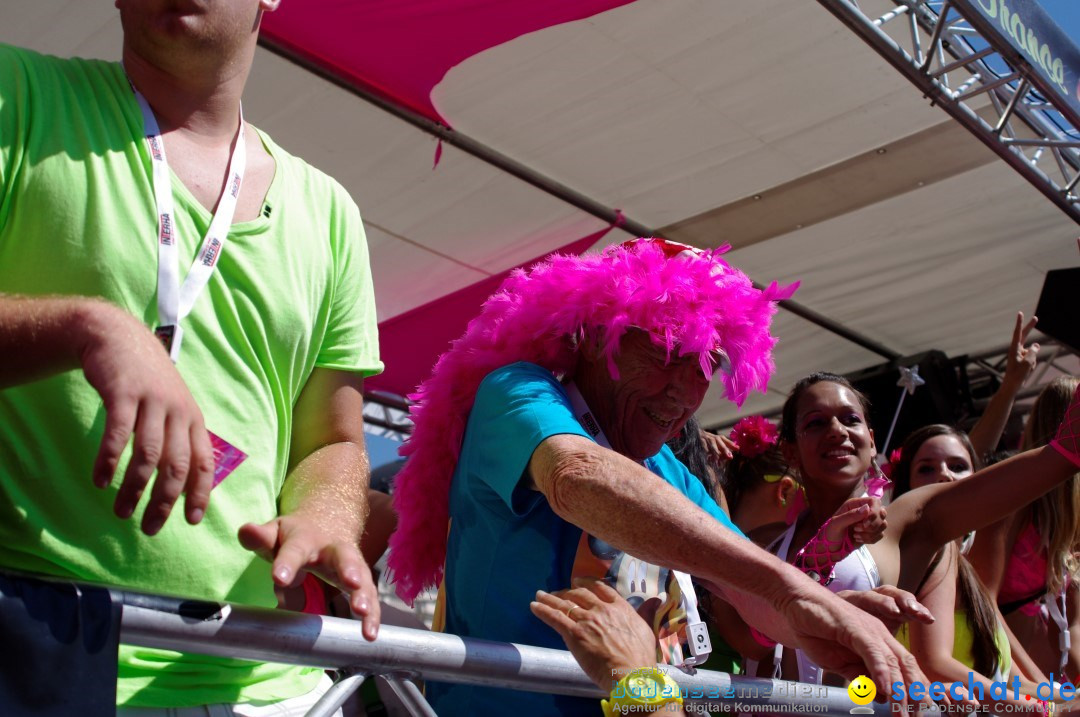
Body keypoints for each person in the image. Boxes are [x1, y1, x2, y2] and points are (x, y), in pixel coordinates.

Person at [0, 1, 382, 712]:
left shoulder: (329, 211)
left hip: (270, 680)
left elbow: (332, 438)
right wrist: (89, 327)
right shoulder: (15, 94)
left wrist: (327, 514)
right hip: (42, 661)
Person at [387, 239, 934, 715]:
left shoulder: (669, 469)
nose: (684, 391)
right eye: (669, 350)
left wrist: (826, 620)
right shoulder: (519, 390)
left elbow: (749, 591)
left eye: (705, 365)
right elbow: (578, 476)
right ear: (598, 337)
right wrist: (789, 590)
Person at [742, 372, 1080, 688]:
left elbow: (1059, 457)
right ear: (790, 450)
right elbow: (744, 640)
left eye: (851, 419)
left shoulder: (908, 523)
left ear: (872, 441)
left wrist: (1042, 701)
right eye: (816, 423)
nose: (837, 431)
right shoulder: (762, 542)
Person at [891, 425, 1046, 713]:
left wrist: (1065, 696)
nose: (944, 474)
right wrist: (1046, 710)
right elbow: (935, 666)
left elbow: (1010, 681)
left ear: (978, 480)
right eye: (926, 468)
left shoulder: (970, 571)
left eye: (958, 466)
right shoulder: (922, 557)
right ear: (906, 488)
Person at [969, 376, 1080, 681]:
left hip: (1032, 669)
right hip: (986, 663)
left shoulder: (1071, 513)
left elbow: (1072, 623)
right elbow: (982, 598)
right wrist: (1039, 688)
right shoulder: (1015, 496)